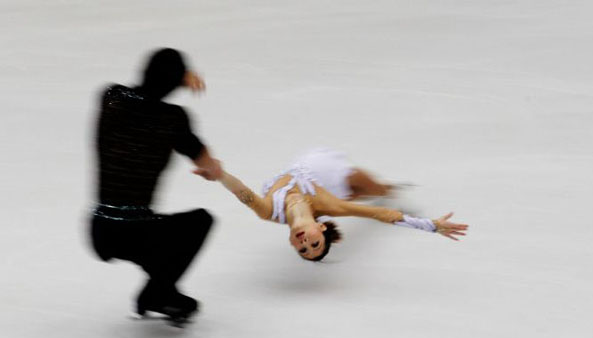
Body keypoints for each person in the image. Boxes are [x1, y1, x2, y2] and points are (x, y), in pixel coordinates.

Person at [89, 48, 222, 322]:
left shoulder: (111, 97)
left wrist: (175, 77)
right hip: (137, 231)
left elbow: (143, 94)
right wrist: (211, 170)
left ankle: (164, 293)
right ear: (177, 82)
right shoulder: (173, 119)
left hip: (100, 229)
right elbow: (208, 165)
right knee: (199, 222)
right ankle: (157, 294)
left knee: (158, 240)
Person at [194, 148, 468, 261]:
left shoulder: (269, 211)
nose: (305, 243)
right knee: (374, 190)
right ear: (322, 230)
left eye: (302, 248)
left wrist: (220, 175)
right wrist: (430, 226)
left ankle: (382, 189)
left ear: (292, 242)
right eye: (314, 245)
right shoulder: (334, 209)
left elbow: (243, 194)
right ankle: (388, 188)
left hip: (310, 170)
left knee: (362, 191)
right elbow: (381, 214)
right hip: (327, 178)